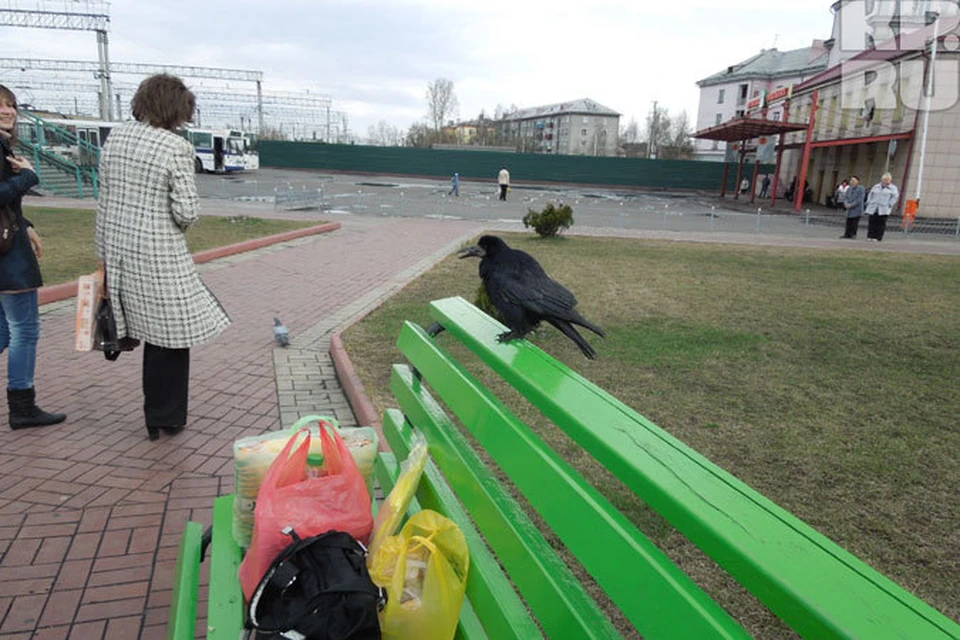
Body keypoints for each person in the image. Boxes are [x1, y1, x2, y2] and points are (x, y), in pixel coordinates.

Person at [96, 74, 230, 441]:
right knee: (171, 335)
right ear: (174, 109)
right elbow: (186, 211)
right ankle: (165, 416)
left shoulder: (116, 139)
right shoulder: (175, 148)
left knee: (146, 330)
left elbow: (104, 200)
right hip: (160, 256)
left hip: (119, 251)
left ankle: (154, 415)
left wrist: (104, 254)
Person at [0, 85, 67, 430]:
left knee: (3, 330)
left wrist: (25, 224)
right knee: (24, 329)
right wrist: (28, 176)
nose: (8, 111)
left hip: (9, 249)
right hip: (9, 261)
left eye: (11, 105)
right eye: (0, 106)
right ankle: (22, 405)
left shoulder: (3, 146)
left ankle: (22, 403)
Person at [865, 172, 899, 242]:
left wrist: (889, 204)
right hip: (874, 207)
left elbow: (895, 197)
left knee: (881, 223)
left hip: (884, 208)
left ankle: (878, 237)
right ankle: (870, 236)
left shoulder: (893, 188)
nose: (886, 181)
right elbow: (870, 194)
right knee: (872, 222)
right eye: (885, 179)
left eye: (888, 180)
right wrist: (869, 202)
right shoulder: (876, 186)